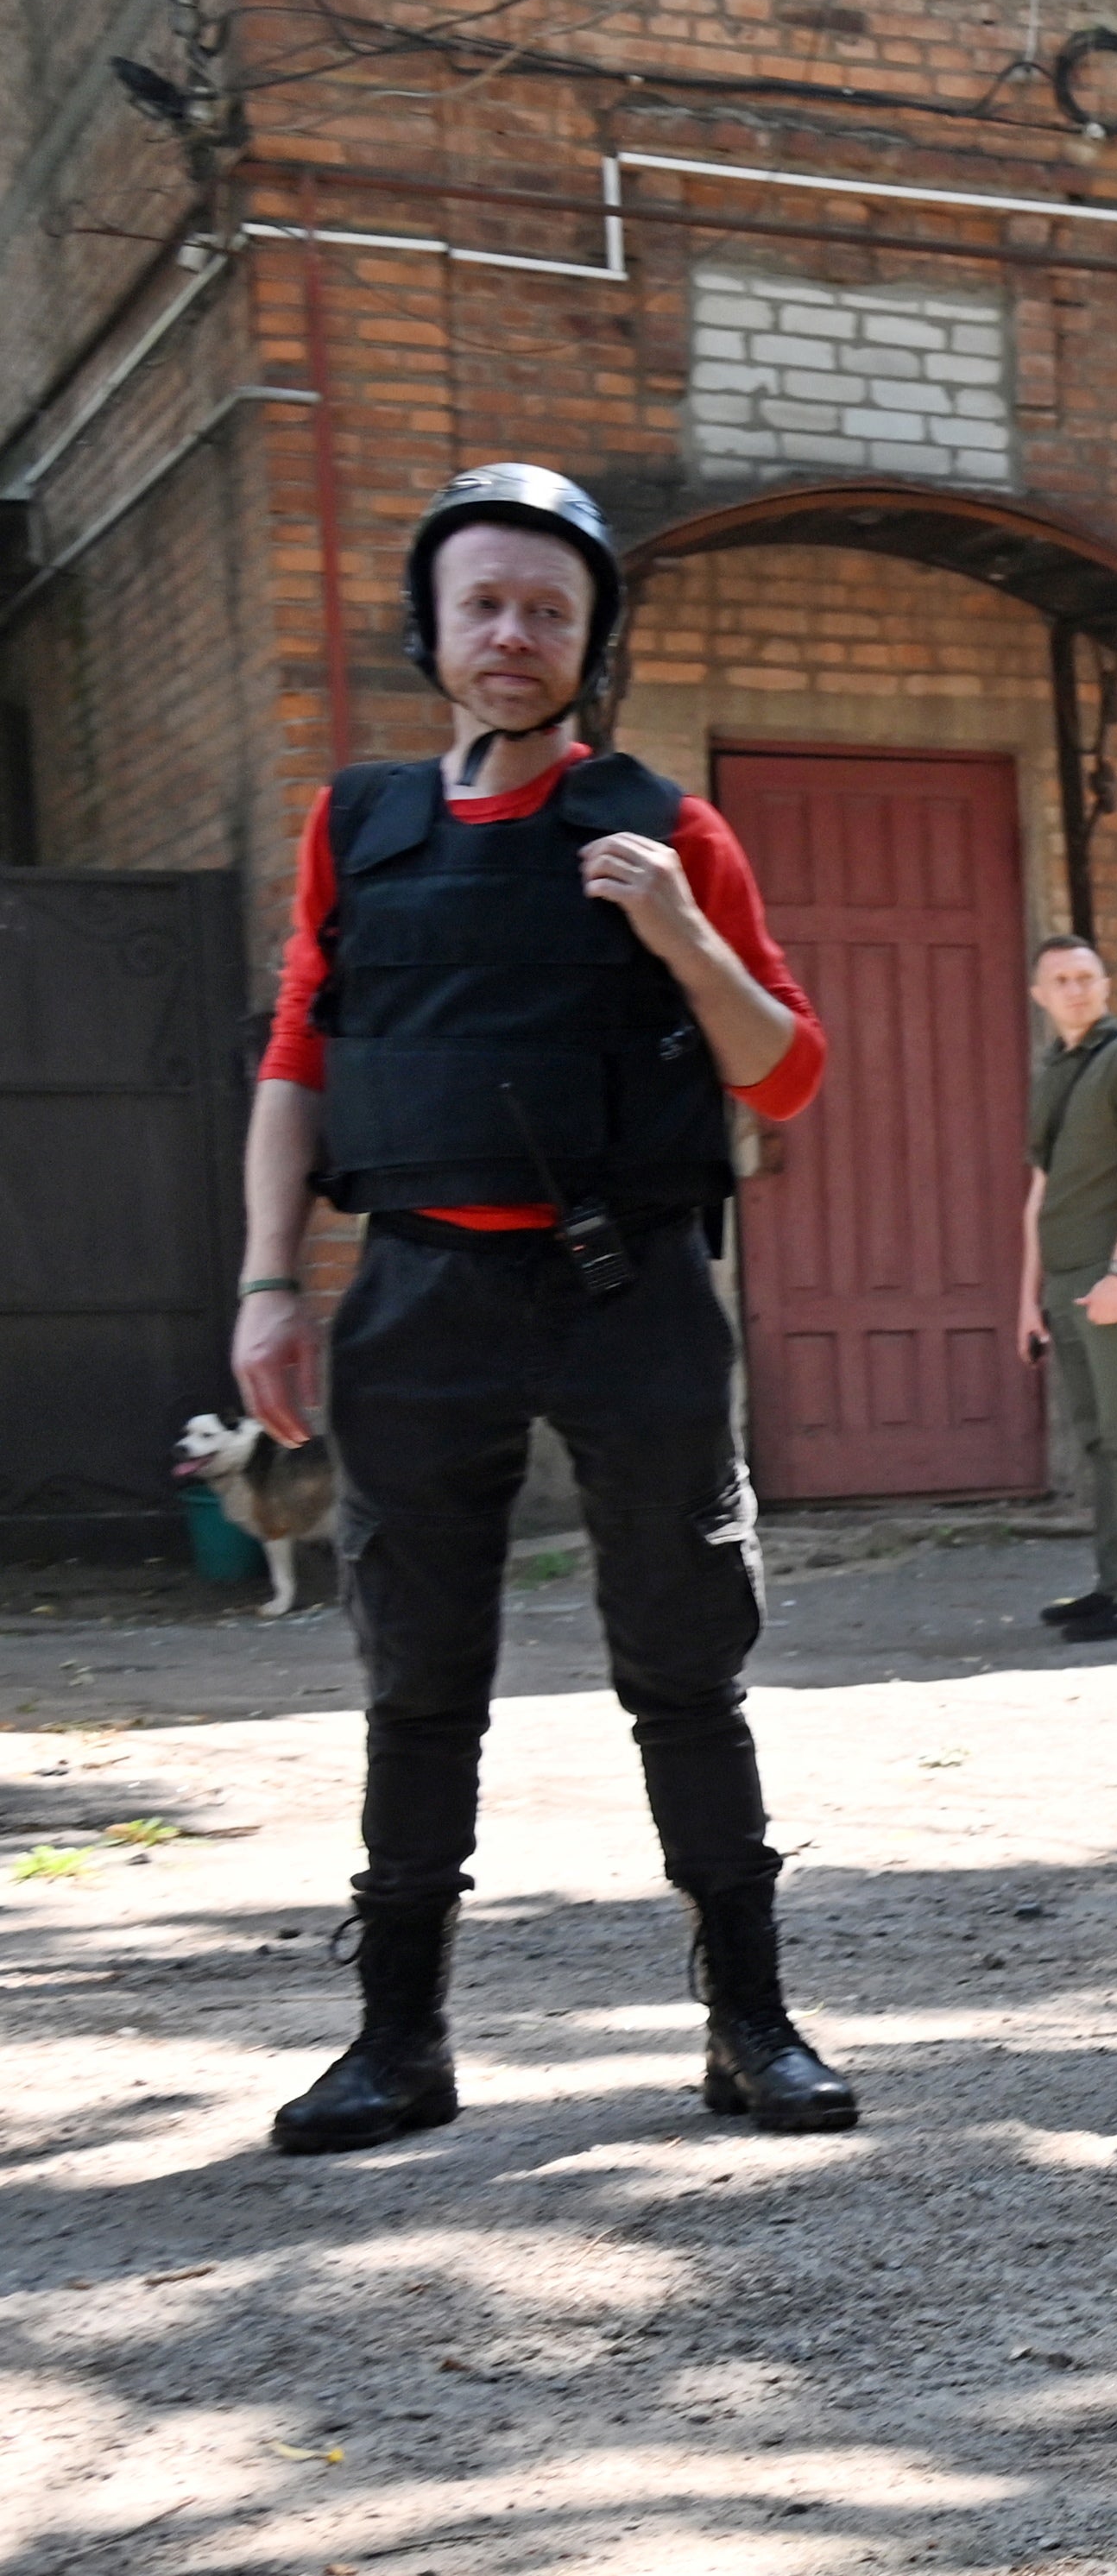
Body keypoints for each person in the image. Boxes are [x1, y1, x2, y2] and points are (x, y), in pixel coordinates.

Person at [230, 464, 854, 2153]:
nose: (514, 635)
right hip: (419, 1289)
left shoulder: (660, 826)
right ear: (433, 624)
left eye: (549, 611)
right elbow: (299, 1059)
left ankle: (751, 2022)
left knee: (683, 1660)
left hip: (625, 1288)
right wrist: (269, 1282)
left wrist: (676, 928)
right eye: (485, 604)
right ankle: (398, 2040)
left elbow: (782, 1068)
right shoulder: (356, 825)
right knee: (416, 1673)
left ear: (590, 640)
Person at [1017, 933, 1117, 1641]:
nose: (1076, 989)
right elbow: (1040, 1192)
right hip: (1065, 1277)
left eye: (1086, 977)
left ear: (1105, 985)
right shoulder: (1056, 1069)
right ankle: (1112, 1584)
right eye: (1061, 980)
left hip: (1114, 1275)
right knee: (1098, 1441)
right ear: (1040, 996)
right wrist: (1026, 1296)